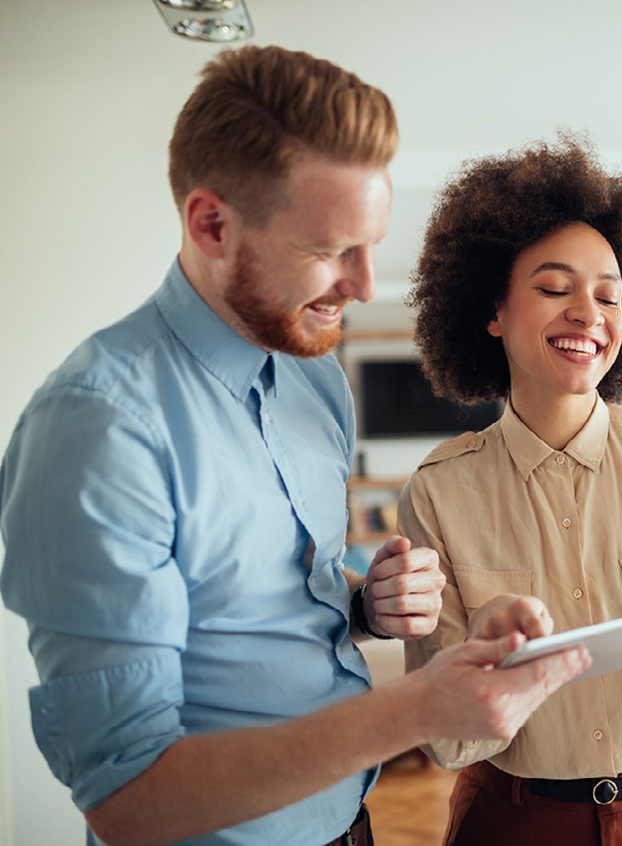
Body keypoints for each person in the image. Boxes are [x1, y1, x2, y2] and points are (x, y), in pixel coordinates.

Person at [0, 45, 588, 846]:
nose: (365, 284)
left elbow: (263, 606)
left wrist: (363, 605)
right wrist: (418, 707)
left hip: (350, 824)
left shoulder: (315, 384)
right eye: (328, 250)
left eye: (372, 243)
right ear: (211, 224)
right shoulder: (97, 426)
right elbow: (128, 799)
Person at [400, 136, 622, 846]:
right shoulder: (439, 491)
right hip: (510, 821)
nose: (588, 313)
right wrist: (481, 672)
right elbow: (446, 741)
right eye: (553, 287)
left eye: (609, 295)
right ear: (493, 311)